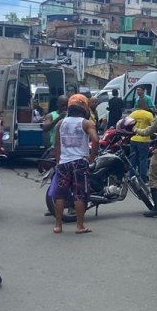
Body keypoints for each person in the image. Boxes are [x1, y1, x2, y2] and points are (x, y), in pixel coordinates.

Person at [51, 94, 101, 234]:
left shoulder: (62, 123)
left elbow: (57, 144)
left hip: (64, 162)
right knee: (80, 194)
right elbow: (96, 140)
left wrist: (58, 160)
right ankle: (79, 226)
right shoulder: (86, 123)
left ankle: (58, 226)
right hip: (79, 162)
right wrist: (92, 157)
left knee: (60, 195)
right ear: (84, 107)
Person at [128, 95, 154, 185]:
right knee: (143, 160)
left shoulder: (133, 114)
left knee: (133, 159)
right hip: (144, 140)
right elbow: (153, 126)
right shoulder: (149, 114)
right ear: (145, 105)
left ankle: (131, 178)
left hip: (133, 139)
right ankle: (143, 180)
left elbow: (128, 124)